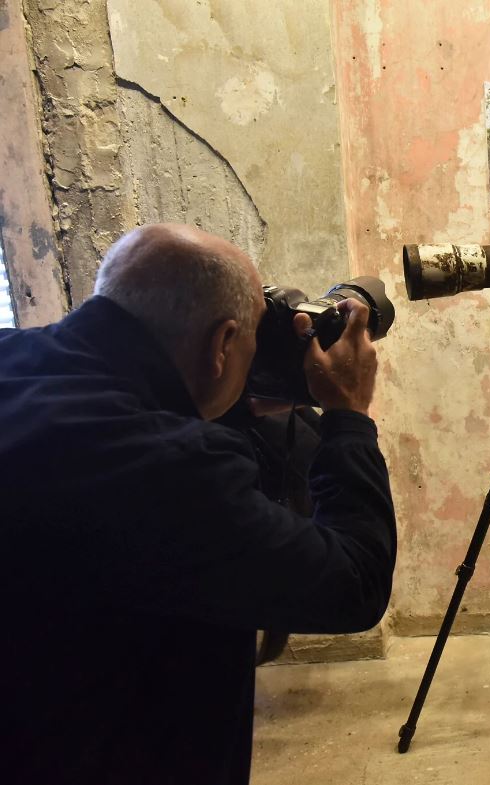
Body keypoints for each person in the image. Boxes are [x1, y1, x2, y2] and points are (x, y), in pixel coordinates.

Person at [0, 224, 397, 784]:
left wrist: (227, 399)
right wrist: (350, 416)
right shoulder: (170, 467)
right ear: (221, 346)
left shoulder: (18, 360)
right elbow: (354, 583)